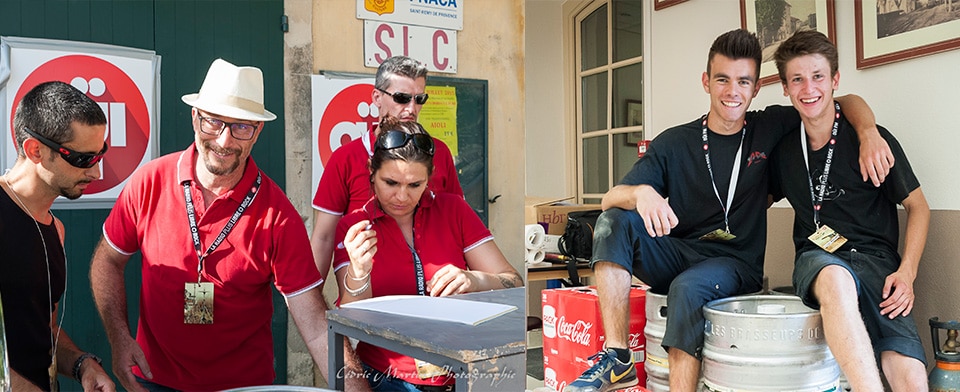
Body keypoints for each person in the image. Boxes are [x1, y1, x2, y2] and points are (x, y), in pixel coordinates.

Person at [564, 29, 895, 392]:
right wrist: (641, 193)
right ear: (706, 82)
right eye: (722, 79)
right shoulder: (675, 142)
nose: (732, 91)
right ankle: (618, 358)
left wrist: (868, 132)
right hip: (680, 250)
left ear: (755, 88)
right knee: (613, 223)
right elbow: (611, 197)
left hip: (736, 261)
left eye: (743, 81)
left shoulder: (769, 125)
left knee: (688, 288)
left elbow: (841, 99)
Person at [89, 59, 367, 392]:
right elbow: (107, 260)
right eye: (213, 123)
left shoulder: (278, 216)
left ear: (258, 131)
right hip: (153, 381)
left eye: (241, 127)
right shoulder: (149, 182)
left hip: (243, 386)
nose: (224, 140)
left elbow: (317, 327)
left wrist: (356, 388)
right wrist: (119, 339)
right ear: (195, 117)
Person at [770, 30, 929, 391]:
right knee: (836, 279)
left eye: (818, 77)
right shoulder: (783, 151)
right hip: (819, 256)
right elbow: (753, 202)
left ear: (835, 80)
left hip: (878, 262)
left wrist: (907, 273)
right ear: (785, 87)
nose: (808, 88)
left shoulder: (871, 139)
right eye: (797, 79)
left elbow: (918, 207)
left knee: (910, 376)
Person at [333, 117, 523, 391]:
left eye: (414, 185)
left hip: (462, 371)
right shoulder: (353, 226)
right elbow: (353, 317)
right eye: (391, 182)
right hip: (386, 376)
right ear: (371, 173)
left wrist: (475, 280)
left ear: (429, 179)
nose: (401, 196)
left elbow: (513, 281)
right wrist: (359, 272)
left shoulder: (453, 209)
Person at [0, 81, 114, 391]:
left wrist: (81, 365)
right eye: (82, 159)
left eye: (100, 154)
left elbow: (43, 330)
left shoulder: (56, 230)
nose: (95, 173)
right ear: (35, 150)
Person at [311, 56, 463, 287]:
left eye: (419, 99)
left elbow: (460, 225)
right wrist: (314, 306)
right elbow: (323, 238)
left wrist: (471, 281)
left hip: (438, 298)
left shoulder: (439, 152)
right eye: (402, 98)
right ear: (377, 98)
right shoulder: (345, 158)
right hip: (370, 296)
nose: (411, 108)